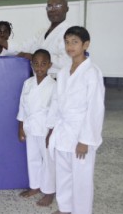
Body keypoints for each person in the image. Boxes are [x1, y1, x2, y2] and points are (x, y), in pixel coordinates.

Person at [46, 26, 105, 214]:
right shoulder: (63, 71)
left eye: (75, 42)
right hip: (63, 130)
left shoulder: (92, 73)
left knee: (81, 178)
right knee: (63, 174)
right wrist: (51, 129)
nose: (70, 46)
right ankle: (65, 208)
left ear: (85, 45)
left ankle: (81, 211)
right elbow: (56, 102)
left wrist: (85, 140)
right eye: (67, 42)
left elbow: (95, 108)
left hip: (81, 132)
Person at [17, 49, 56, 207]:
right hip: (30, 126)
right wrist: (21, 127)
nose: (39, 67)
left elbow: (55, 111)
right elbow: (22, 106)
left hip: (46, 128)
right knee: (32, 157)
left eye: (43, 64)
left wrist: (51, 133)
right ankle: (35, 186)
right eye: (36, 64)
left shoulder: (53, 85)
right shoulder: (28, 83)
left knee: (48, 161)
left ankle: (49, 191)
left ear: (49, 65)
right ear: (32, 65)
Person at [19, 0, 72, 77]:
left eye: (58, 5)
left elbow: (67, 61)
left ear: (67, 9)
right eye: (49, 7)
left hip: (59, 81)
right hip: (39, 79)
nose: (53, 10)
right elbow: (24, 47)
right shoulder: (42, 32)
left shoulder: (71, 32)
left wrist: (35, 57)